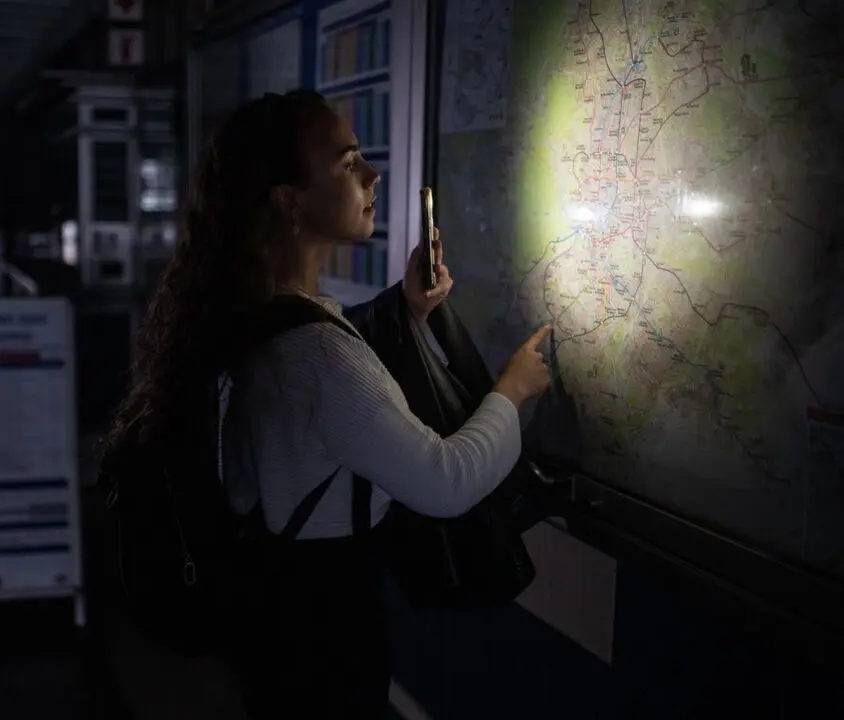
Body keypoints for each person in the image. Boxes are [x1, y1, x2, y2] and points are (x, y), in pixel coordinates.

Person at [110, 90, 551, 718]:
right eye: (348, 165)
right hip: (328, 654)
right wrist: (514, 387)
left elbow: (329, 371)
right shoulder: (313, 355)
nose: (372, 176)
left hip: (277, 640)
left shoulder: (253, 315)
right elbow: (446, 481)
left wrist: (407, 305)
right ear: (290, 201)